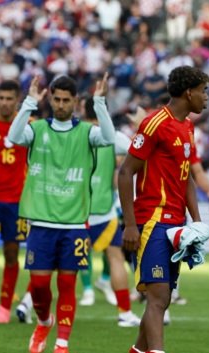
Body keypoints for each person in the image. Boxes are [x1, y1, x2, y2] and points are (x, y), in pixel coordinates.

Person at [117, 66, 209, 353]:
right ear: (189, 92)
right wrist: (130, 224)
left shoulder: (186, 127)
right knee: (157, 297)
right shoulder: (155, 123)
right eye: (203, 91)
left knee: (164, 298)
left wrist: (196, 221)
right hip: (152, 220)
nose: (206, 98)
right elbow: (126, 172)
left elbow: (185, 180)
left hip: (175, 224)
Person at [7, 73, 115, 353]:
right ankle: (44, 322)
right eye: (57, 99)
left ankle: (62, 345)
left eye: (67, 100)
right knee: (40, 285)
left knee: (67, 284)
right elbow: (13, 137)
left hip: (75, 225)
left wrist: (100, 101)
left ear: (76, 102)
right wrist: (30, 101)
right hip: (41, 223)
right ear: (50, 99)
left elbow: (109, 137)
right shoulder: (38, 129)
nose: (61, 105)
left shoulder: (86, 133)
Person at [79, 97, 141, 327]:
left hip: (74, 211)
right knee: (115, 258)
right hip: (105, 210)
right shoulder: (113, 136)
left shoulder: (76, 132)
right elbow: (138, 148)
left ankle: (31, 305)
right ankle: (124, 312)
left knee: (60, 262)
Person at [0, 80, 30, 324]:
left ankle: (4, 307)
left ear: (16, 99)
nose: (4, 103)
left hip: (14, 202)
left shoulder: (26, 127)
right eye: (1, 98)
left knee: (11, 254)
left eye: (9, 98)